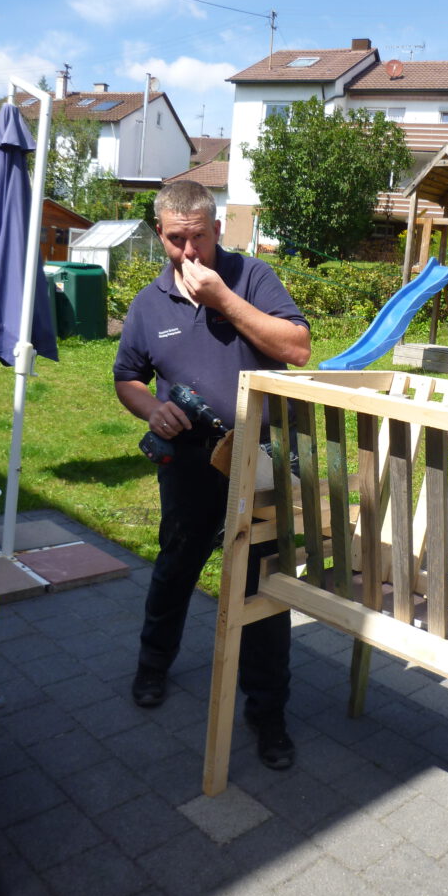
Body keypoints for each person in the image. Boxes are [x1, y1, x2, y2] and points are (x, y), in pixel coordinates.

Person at [113, 181, 311, 769]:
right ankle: (153, 665)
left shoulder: (252, 278)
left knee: (261, 583)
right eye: (176, 240)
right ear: (161, 235)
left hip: (262, 457)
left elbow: (297, 348)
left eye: (199, 237)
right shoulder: (150, 303)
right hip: (191, 459)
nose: (190, 252)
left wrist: (224, 300)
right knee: (177, 562)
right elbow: (127, 376)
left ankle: (267, 712)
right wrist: (152, 408)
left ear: (218, 228)